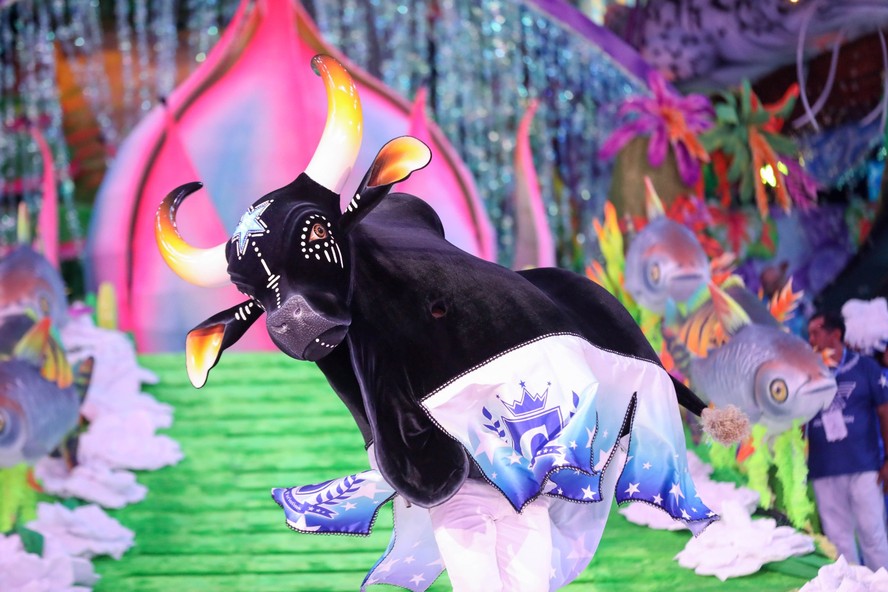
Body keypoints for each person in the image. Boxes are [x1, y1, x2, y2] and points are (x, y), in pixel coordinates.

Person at [806, 311, 888, 570]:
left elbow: (885, 414)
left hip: (865, 467)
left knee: (873, 536)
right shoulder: (805, 371)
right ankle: (849, 587)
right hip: (823, 470)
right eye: (809, 334)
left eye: (816, 333)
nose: (810, 339)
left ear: (835, 334)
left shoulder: (865, 367)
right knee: (838, 542)